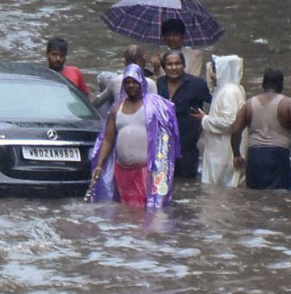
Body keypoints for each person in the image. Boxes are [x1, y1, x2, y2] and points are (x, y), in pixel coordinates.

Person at [88, 63, 179, 208]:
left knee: (145, 212)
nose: (131, 85)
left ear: (142, 82)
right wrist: (99, 165)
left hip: (147, 172)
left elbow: (167, 137)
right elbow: (107, 139)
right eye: (127, 82)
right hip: (121, 172)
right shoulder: (117, 108)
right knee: (124, 211)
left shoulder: (155, 107)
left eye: (134, 82)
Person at [228, 69, 291, 190]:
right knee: (278, 199)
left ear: (263, 84)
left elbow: (235, 131)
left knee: (254, 198)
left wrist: (236, 155)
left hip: (254, 156)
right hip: (278, 156)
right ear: (281, 85)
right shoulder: (288, 104)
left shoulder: (249, 104)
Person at [158, 49, 211, 179]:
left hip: (188, 147)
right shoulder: (160, 84)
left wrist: (206, 119)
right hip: (164, 145)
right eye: (170, 64)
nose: (174, 67)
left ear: (184, 65)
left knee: (188, 185)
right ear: (164, 67)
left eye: (178, 63)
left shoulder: (197, 84)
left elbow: (215, 103)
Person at [198, 55, 246, 186]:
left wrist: (205, 119)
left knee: (220, 185)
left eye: (214, 71)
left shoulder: (228, 92)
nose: (212, 75)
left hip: (223, 149)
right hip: (221, 147)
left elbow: (229, 122)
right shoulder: (230, 89)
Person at [93, 44, 157, 110]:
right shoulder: (151, 83)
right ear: (140, 61)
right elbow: (156, 108)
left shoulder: (116, 81)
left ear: (125, 62)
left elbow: (98, 101)